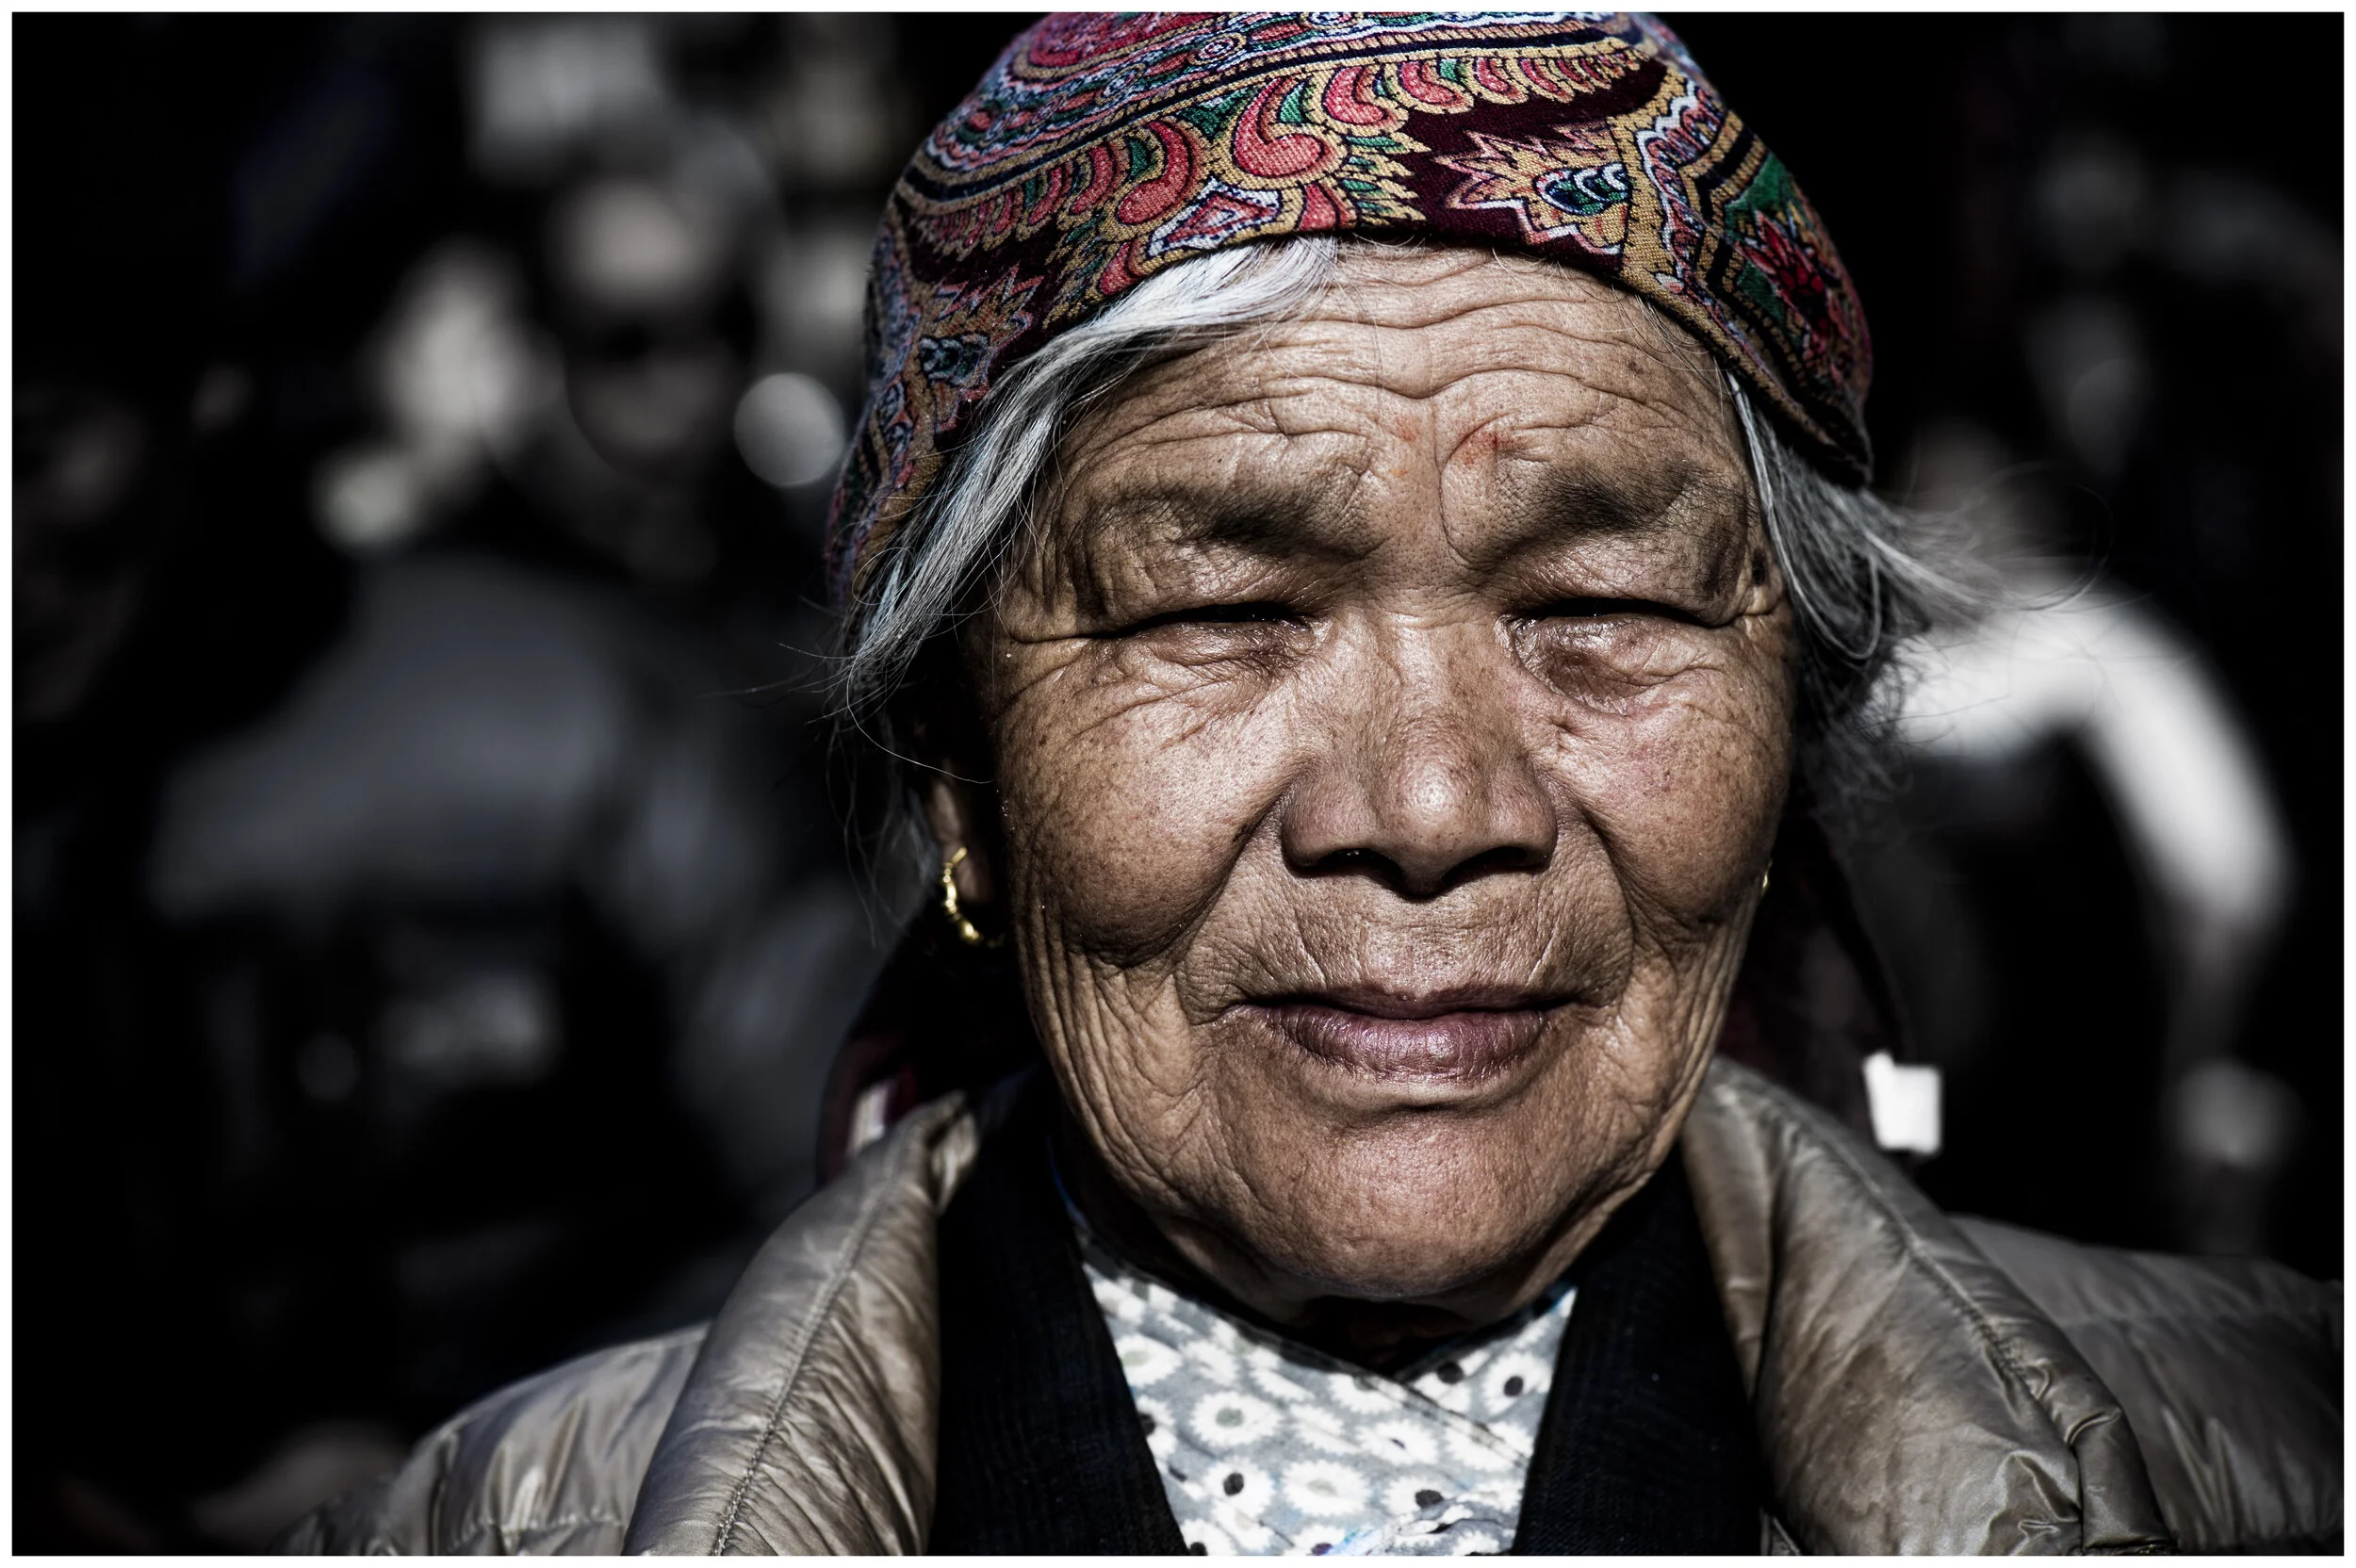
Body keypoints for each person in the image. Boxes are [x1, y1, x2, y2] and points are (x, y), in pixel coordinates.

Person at [287, 14, 2338, 1555]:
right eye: (1224, 614)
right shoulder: (494, 1533)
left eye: (1599, 604)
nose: (1432, 807)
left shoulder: (2275, 1460)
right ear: (961, 779)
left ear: (1789, 725)